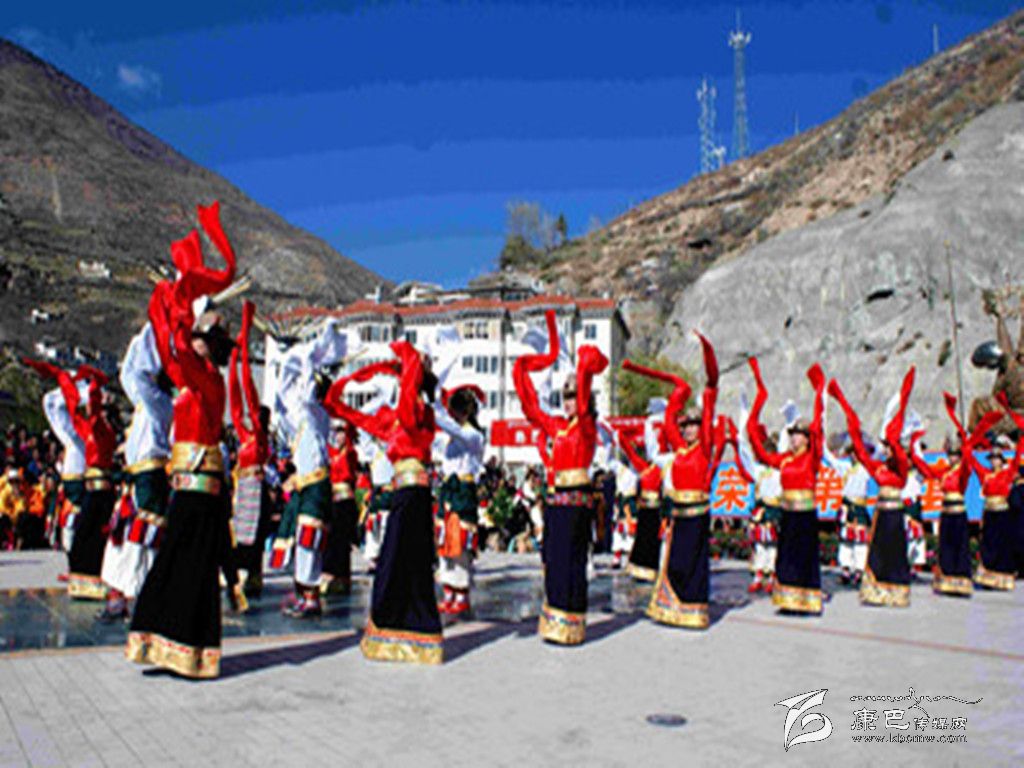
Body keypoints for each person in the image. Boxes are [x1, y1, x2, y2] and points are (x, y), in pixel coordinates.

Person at [127, 200, 239, 679]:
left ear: (208, 346)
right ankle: (179, 645)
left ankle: (178, 644)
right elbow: (169, 354)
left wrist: (174, 308)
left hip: (197, 488)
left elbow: (173, 348)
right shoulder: (200, 378)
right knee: (186, 563)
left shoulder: (205, 378)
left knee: (183, 562)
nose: (192, 340)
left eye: (199, 336)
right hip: (195, 485)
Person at [328, 345, 442, 664]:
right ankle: (398, 629)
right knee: (394, 562)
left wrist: (407, 356)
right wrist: (337, 395)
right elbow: (355, 416)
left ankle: (415, 632)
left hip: (414, 495)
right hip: (403, 494)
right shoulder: (392, 419)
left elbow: (408, 404)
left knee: (407, 564)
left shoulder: (421, 413)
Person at [513, 309, 608, 645]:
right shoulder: (557, 425)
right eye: (565, 397)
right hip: (556, 502)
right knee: (553, 560)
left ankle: (572, 623)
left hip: (577, 502)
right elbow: (532, 410)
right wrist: (522, 370)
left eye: (573, 396)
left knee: (572, 561)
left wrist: (582, 370)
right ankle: (554, 620)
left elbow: (582, 402)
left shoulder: (586, 426)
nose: (568, 402)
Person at [622, 332, 718, 629]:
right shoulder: (679, 449)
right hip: (679, 513)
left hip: (697, 514)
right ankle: (673, 607)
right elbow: (668, 420)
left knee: (694, 563)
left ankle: (693, 610)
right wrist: (678, 392)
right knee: (676, 561)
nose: (688, 430)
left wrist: (708, 358)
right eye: (685, 426)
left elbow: (711, 390)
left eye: (693, 426)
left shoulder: (704, 447)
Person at [98, 314, 174, 621]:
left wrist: (158, 324)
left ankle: (143, 599)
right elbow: (129, 374)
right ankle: (120, 597)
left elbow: (136, 374)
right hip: (138, 478)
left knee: (141, 540)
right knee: (123, 538)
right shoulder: (149, 403)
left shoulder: (159, 402)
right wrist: (148, 331)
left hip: (149, 478)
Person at [272, 320, 349, 618]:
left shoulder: (316, 413)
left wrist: (309, 355)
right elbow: (284, 394)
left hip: (316, 485)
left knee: (309, 539)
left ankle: (310, 596)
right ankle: (306, 593)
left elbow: (301, 389)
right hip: (307, 485)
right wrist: (292, 357)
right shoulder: (306, 418)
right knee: (303, 539)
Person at [24, 360, 116, 600]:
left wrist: (81, 386)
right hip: (83, 484)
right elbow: (56, 405)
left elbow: (72, 410)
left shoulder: (92, 432)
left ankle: (87, 574)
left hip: (90, 485)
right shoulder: (82, 433)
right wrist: (66, 379)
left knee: (87, 533)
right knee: (81, 533)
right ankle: (80, 573)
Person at [746, 358, 827, 614]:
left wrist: (819, 393)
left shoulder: (812, 458)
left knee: (804, 556)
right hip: (787, 513)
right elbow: (763, 454)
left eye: (798, 435)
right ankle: (788, 598)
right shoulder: (785, 459)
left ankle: (807, 599)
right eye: (791, 435)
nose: (793, 439)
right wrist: (751, 426)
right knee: (787, 555)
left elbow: (818, 429)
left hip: (805, 514)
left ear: (807, 439)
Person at [829, 369, 916, 607]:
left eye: (889, 447)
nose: (886, 450)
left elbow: (900, 454)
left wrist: (894, 434)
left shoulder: (900, 468)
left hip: (895, 514)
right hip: (880, 514)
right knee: (877, 552)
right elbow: (858, 445)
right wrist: (844, 406)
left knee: (895, 552)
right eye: (885, 447)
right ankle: (875, 588)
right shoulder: (876, 467)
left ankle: (896, 591)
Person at [910, 395, 999, 597]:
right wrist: (915, 446)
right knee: (946, 546)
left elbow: (969, 462)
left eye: (954, 456)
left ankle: (960, 578)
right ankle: (947, 577)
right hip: (946, 512)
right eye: (950, 455)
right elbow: (925, 469)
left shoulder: (962, 472)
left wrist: (966, 443)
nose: (951, 458)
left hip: (958, 512)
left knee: (959, 546)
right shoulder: (944, 472)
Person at [228, 301, 272, 599]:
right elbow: (234, 393)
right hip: (244, 486)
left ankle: (251, 574)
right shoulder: (245, 434)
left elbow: (245, 387)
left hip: (253, 486)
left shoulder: (257, 435)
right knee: (243, 533)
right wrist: (234, 355)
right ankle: (244, 572)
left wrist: (244, 334)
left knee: (253, 533)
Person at [433, 385, 486, 615]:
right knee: (445, 540)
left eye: (455, 411)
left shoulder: (473, 436)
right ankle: (448, 591)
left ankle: (461, 592)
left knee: (460, 542)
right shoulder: (450, 439)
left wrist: (432, 410)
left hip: (463, 491)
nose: (452, 416)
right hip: (448, 490)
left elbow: (447, 425)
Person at [967, 410, 1023, 591]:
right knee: (988, 543)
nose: (994, 462)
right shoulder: (986, 475)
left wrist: (1021, 438)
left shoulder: (1007, 474)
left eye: (997, 459)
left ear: (1001, 461)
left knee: (1002, 545)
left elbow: (1017, 458)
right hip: (989, 512)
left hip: (1002, 513)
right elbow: (972, 461)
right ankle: (988, 576)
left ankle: (1002, 575)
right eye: (992, 459)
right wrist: (969, 443)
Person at [35, 375, 88, 557]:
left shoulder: (77, 437)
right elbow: (50, 403)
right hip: (75, 475)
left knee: (75, 517)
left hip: (81, 473)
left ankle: (74, 549)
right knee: (72, 517)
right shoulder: (73, 438)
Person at [734, 430, 781, 594]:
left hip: (774, 511)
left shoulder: (780, 471)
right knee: (759, 545)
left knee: (773, 546)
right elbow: (745, 458)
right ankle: (758, 576)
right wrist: (738, 441)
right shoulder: (758, 470)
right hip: (760, 511)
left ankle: (772, 576)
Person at [321, 419, 359, 596]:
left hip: (345, 501)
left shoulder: (350, 452)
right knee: (332, 539)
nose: (339, 436)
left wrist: (344, 416)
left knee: (341, 540)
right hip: (333, 500)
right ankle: (334, 576)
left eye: (342, 432)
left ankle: (341, 578)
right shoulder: (332, 453)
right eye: (337, 432)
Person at [618, 434, 663, 582]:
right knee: (643, 538)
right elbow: (630, 453)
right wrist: (620, 438)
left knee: (651, 540)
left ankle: (650, 569)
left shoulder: (663, 467)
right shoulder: (644, 467)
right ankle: (639, 569)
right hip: (645, 509)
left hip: (655, 509)